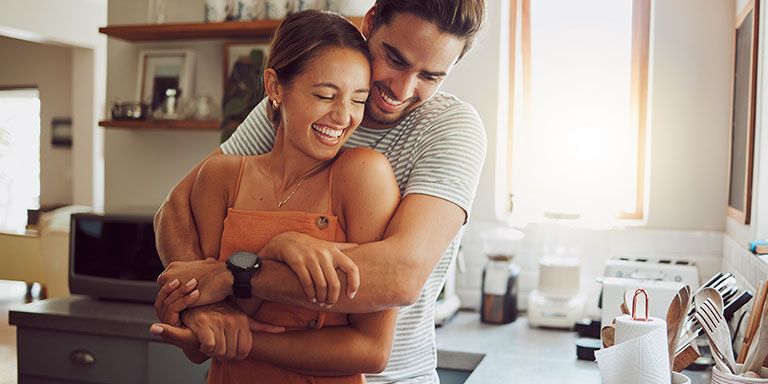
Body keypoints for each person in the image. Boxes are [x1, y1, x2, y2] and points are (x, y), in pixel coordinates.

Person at [154, 1, 487, 383]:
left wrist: (239, 275)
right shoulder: (295, 108)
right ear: (372, 21)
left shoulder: (451, 129)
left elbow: (400, 275)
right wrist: (200, 307)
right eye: (395, 58)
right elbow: (175, 208)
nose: (402, 88)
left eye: (431, 76)